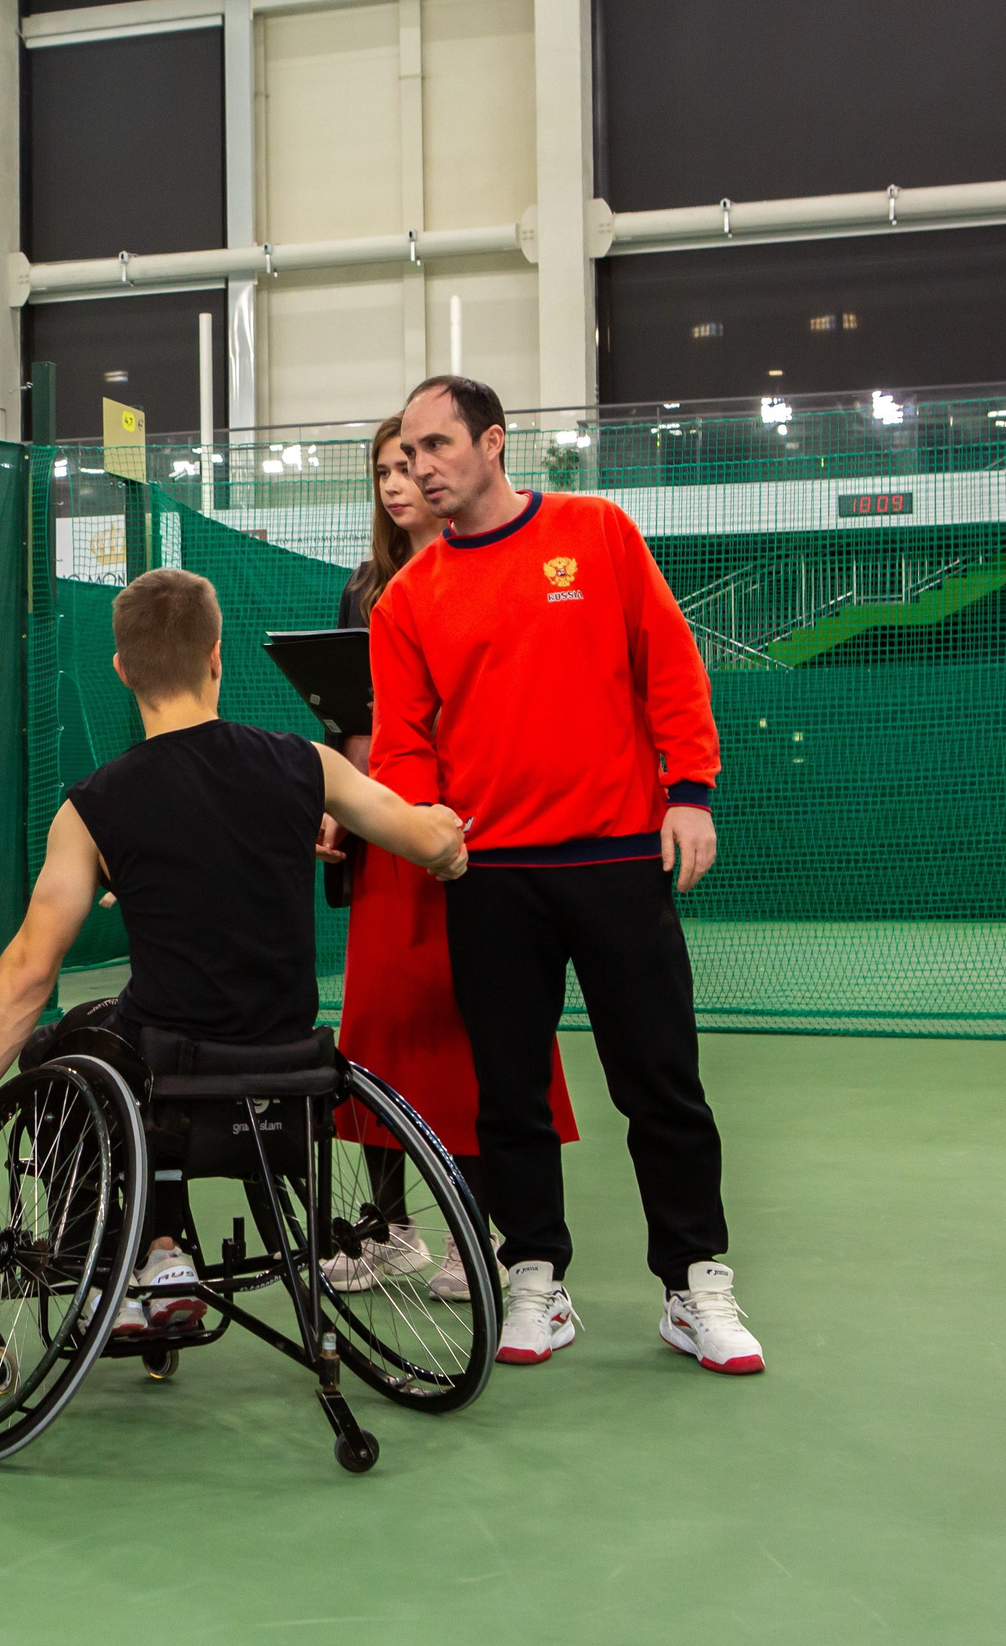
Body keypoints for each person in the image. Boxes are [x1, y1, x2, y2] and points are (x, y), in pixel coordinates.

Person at [0, 569, 469, 1337]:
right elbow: (427, 836)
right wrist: (448, 836)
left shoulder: (93, 807)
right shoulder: (306, 764)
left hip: (174, 1072)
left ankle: (148, 1250)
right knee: (130, 1035)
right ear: (218, 656)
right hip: (293, 1062)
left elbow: (28, 969)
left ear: (121, 669)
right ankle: (158, 1247)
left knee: (61, 1041)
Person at [369, 373, 764, 1375]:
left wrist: (691, 790)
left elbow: (669, 666)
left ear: (492, 442)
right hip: (489, 877)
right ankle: (534, 1276)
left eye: (434, 446)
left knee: (661, 1082)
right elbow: (405, 746)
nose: (418, 467)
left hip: (618, 858)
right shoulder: (407, 599)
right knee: (507, 1094)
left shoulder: (597, 533)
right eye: (407, 454)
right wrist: (427, 827)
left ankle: (693, 1283)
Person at [319, 421, 575, 1312]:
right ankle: (390, 1229)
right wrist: (341, 805)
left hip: (477, 837)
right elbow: (356, 725)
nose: (400, 481)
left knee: (477, 1031)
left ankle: (485, 1233)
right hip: (386, 835)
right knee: (379, 1027)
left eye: (412, 462)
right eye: (385, 469)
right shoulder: (366, 587)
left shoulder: (497, 565)